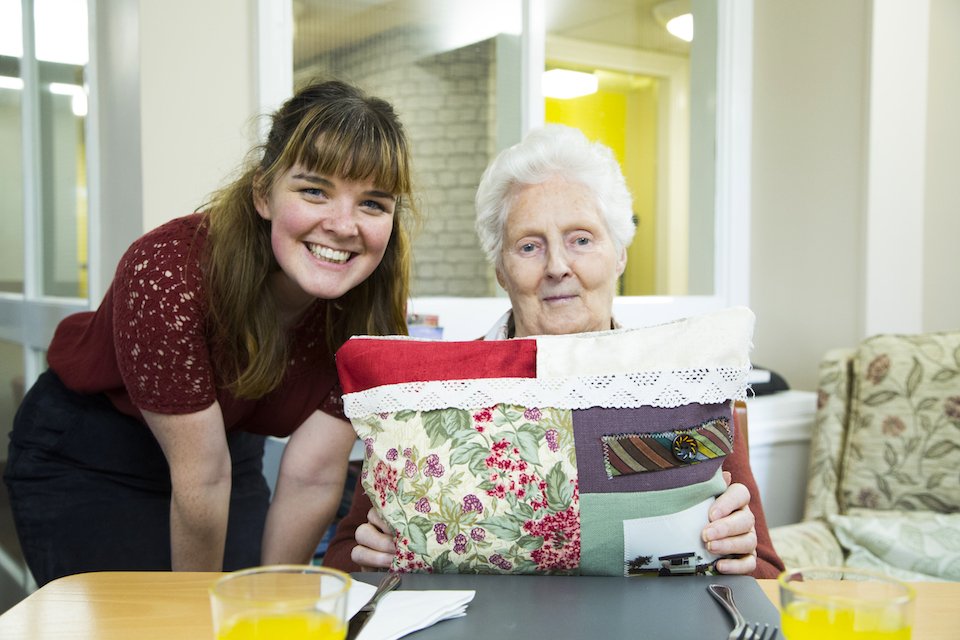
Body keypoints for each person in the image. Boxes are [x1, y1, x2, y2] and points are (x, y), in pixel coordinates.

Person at [4, 80, 419, 586]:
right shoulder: (168, 274)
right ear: (263, 193)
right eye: (314, 191)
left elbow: (311, 477)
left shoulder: (372, 309)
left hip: (224, 452)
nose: (343, 225)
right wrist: (197, 618)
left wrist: (273, 605)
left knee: (253, 604)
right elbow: (201, 475)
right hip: (91, 455)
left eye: (373, 204)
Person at [323, 125, 785, 578]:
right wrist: (373, 547)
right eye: (529, 246)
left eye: (581, 239)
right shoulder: (433, 391)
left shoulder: (683, 380)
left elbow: (767, 570)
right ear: (501, 270)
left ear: (620, 253)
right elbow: (343, 555)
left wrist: (738, 551)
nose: (557, 267)